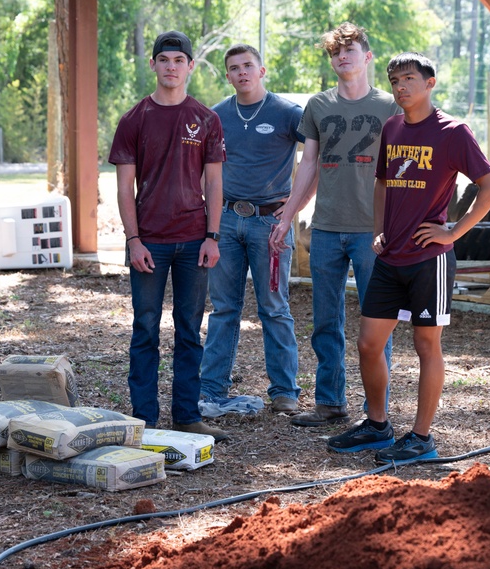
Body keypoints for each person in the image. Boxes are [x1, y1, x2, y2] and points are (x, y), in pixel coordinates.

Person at [326, 51, 490, 462]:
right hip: (391, 256)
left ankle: (422, 438)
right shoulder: (392, 127)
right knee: (368, 344)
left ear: (429, 83)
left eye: (408, 78)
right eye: (394, 81)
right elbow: (383, 183)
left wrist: (453, 230)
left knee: (426, 345)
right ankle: (377, 426)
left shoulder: (453, 132)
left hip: (430, 258)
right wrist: (378, 231)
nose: (401, 86)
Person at [270, 22, 400, 427]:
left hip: (372, 232)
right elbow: (307, 165)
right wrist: (288, 214)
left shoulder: (390, 107)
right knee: (326, 321)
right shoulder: (318, 106)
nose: (342, 57)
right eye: (335, 52)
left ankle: (374, 412)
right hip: (325, 228)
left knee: (377, 325)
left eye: (350, 49)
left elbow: (403, 169)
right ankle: (329, 403)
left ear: (367, 56)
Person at [108, 30, 230, 441]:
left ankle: (186, 415)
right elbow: (125, 188)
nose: (172, 66)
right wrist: (133, 240)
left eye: (180, 59)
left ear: (190, 66)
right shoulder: (134, 119)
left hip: (195, 240)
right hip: (150, 243)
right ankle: (144, 418)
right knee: (144, 327)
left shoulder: (206, 119)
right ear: (154, 65)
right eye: (165, 59)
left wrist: (213, 236)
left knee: (188, 328)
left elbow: (213, 184)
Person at [200, 44, 305, 413]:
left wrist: (290, 213)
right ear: (227, 75)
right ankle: (211, 388)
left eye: (248, 66)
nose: (241, 72)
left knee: (274, 308)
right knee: (224, 309)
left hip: (270, 223)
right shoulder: (215, 115)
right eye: (234, 68)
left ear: (262, 71)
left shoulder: (288, 114)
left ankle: (284, 392)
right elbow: (204, 169)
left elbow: (318, 158)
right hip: (226, 221)